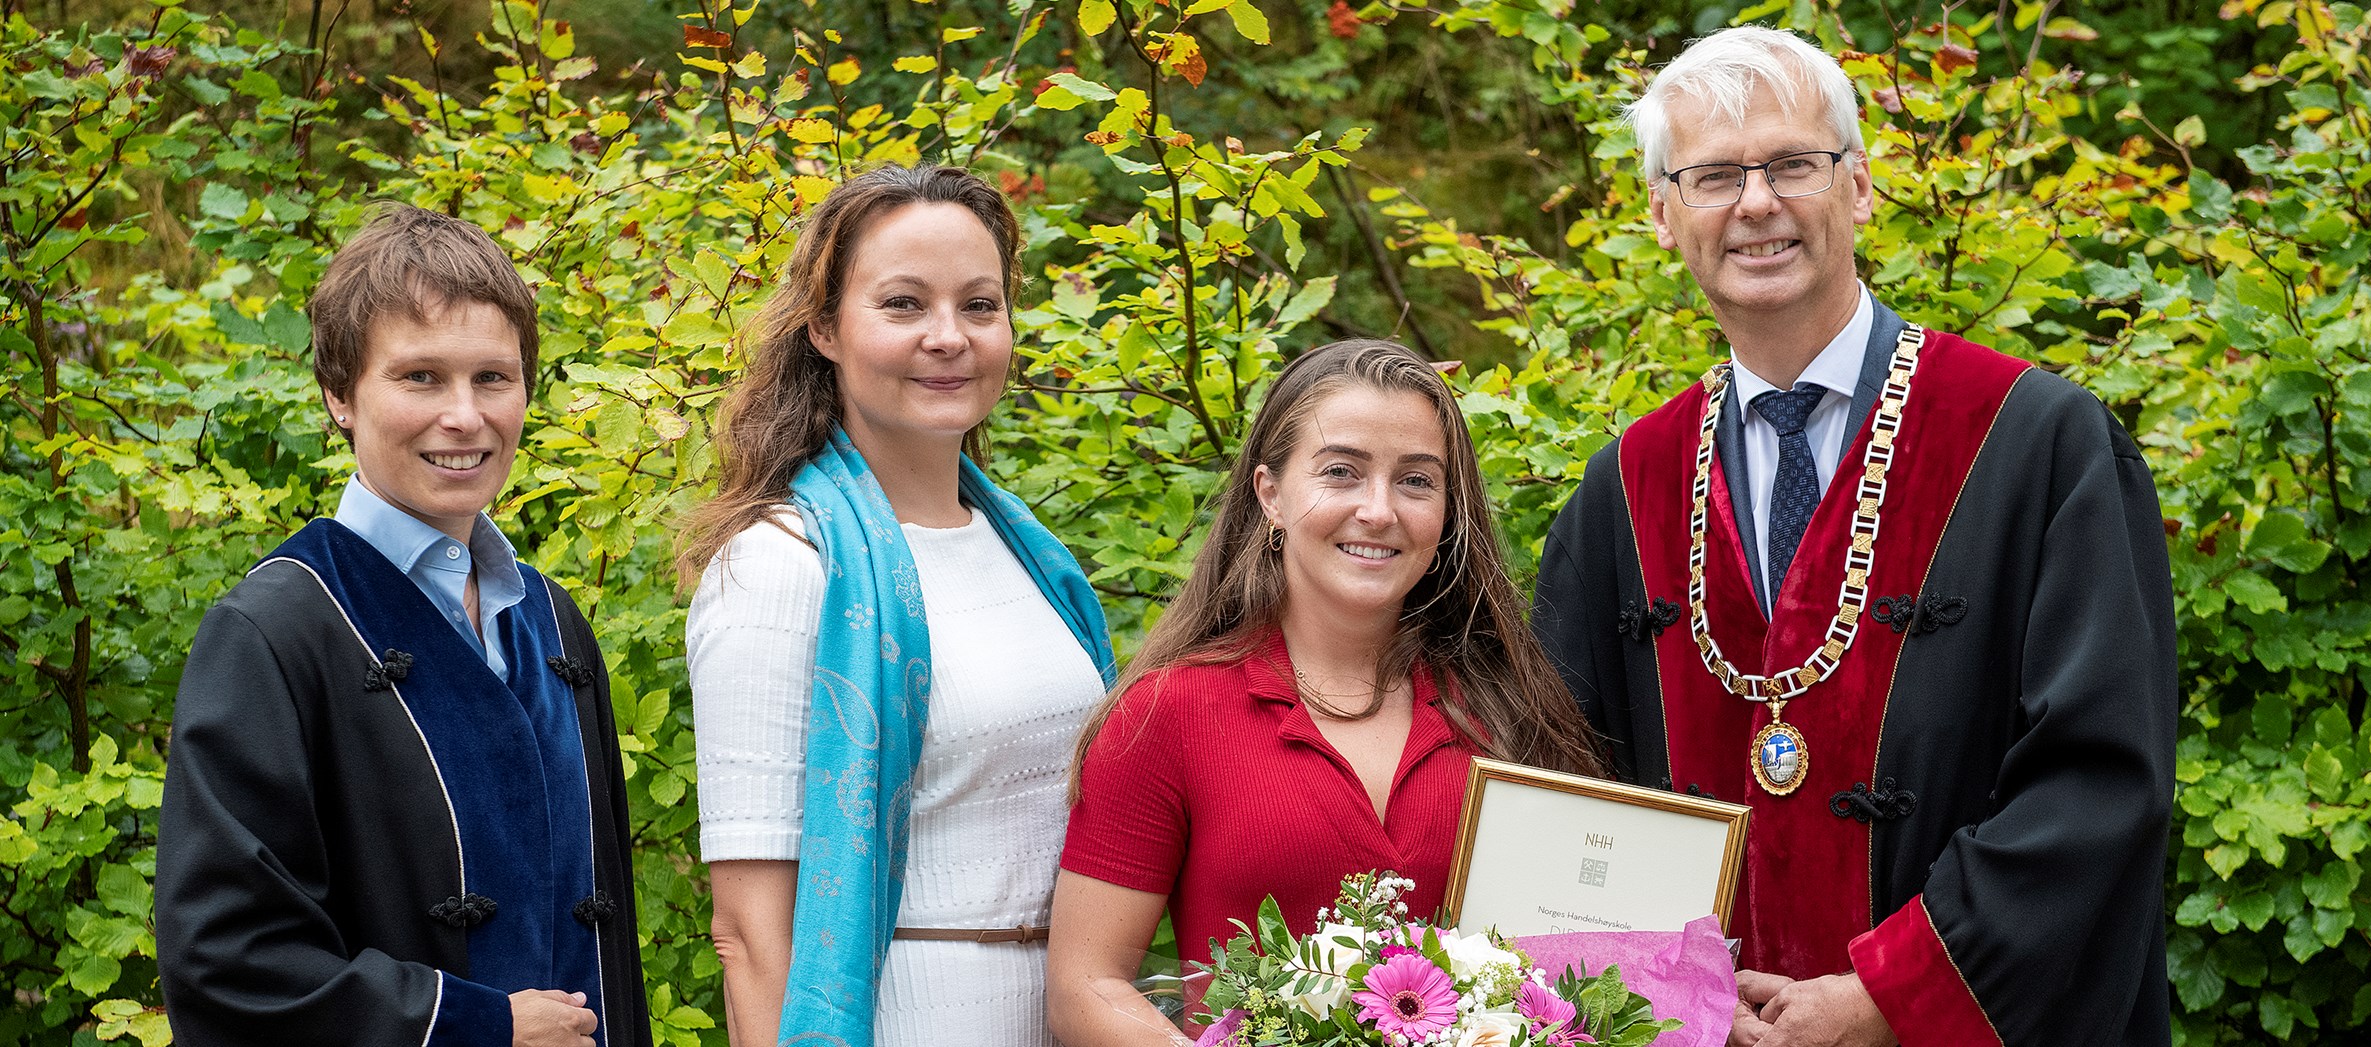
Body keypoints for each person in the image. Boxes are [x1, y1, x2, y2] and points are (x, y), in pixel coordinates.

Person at [1530, 25, 2177, 1047]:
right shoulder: (1627, 486)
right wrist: (1661, 993)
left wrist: (1896, 992)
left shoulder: (2036, 443)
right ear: (1662, 215)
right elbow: (1560, 782)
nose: (1755, 203)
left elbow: (2099, 777)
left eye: (1791, 163)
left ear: (1860, 187)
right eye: (1710, 176)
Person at [157, 206, 649, 1047]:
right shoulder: (275, 629)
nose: (465, 416)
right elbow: (225, 958)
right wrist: (474, 1024)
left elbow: (608, 940)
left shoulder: (554, 621)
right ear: (340, 396)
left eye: (493, 377)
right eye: (421, 377)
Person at [1047, 338, 1607, 1046]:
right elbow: (1084, 986)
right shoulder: (1169, 711)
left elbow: (1581, 952)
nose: (1378, 510)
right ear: (1270, 492)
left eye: (1416, 480)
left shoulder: (1506, 706)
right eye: (1341, 471)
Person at [679, 164, 1116, 1047]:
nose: (948, 336)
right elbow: (750, 937)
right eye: (905, 304)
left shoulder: (1032, 560)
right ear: (825, 328)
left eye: (980, 305)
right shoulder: (778, 567)